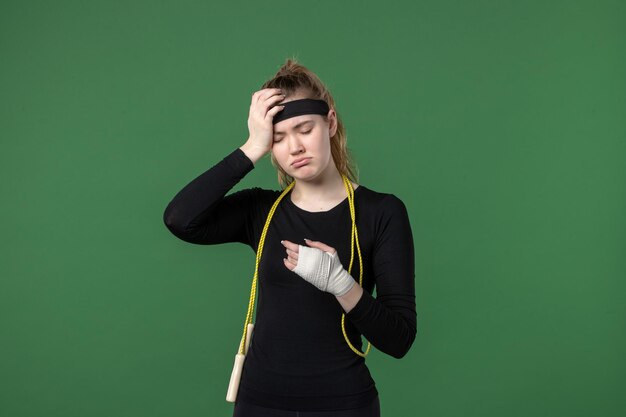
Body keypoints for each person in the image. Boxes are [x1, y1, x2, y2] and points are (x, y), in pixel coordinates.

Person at [163, 58, 417, 417]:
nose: (294, 147)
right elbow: (179, 219)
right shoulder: (260, 210)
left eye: (304, 129)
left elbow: (399, 339)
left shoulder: (381, 212)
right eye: (278, 138)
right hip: (259, 404)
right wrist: (252, 147)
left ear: (329, 123)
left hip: (344, 405)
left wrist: (341, 284)